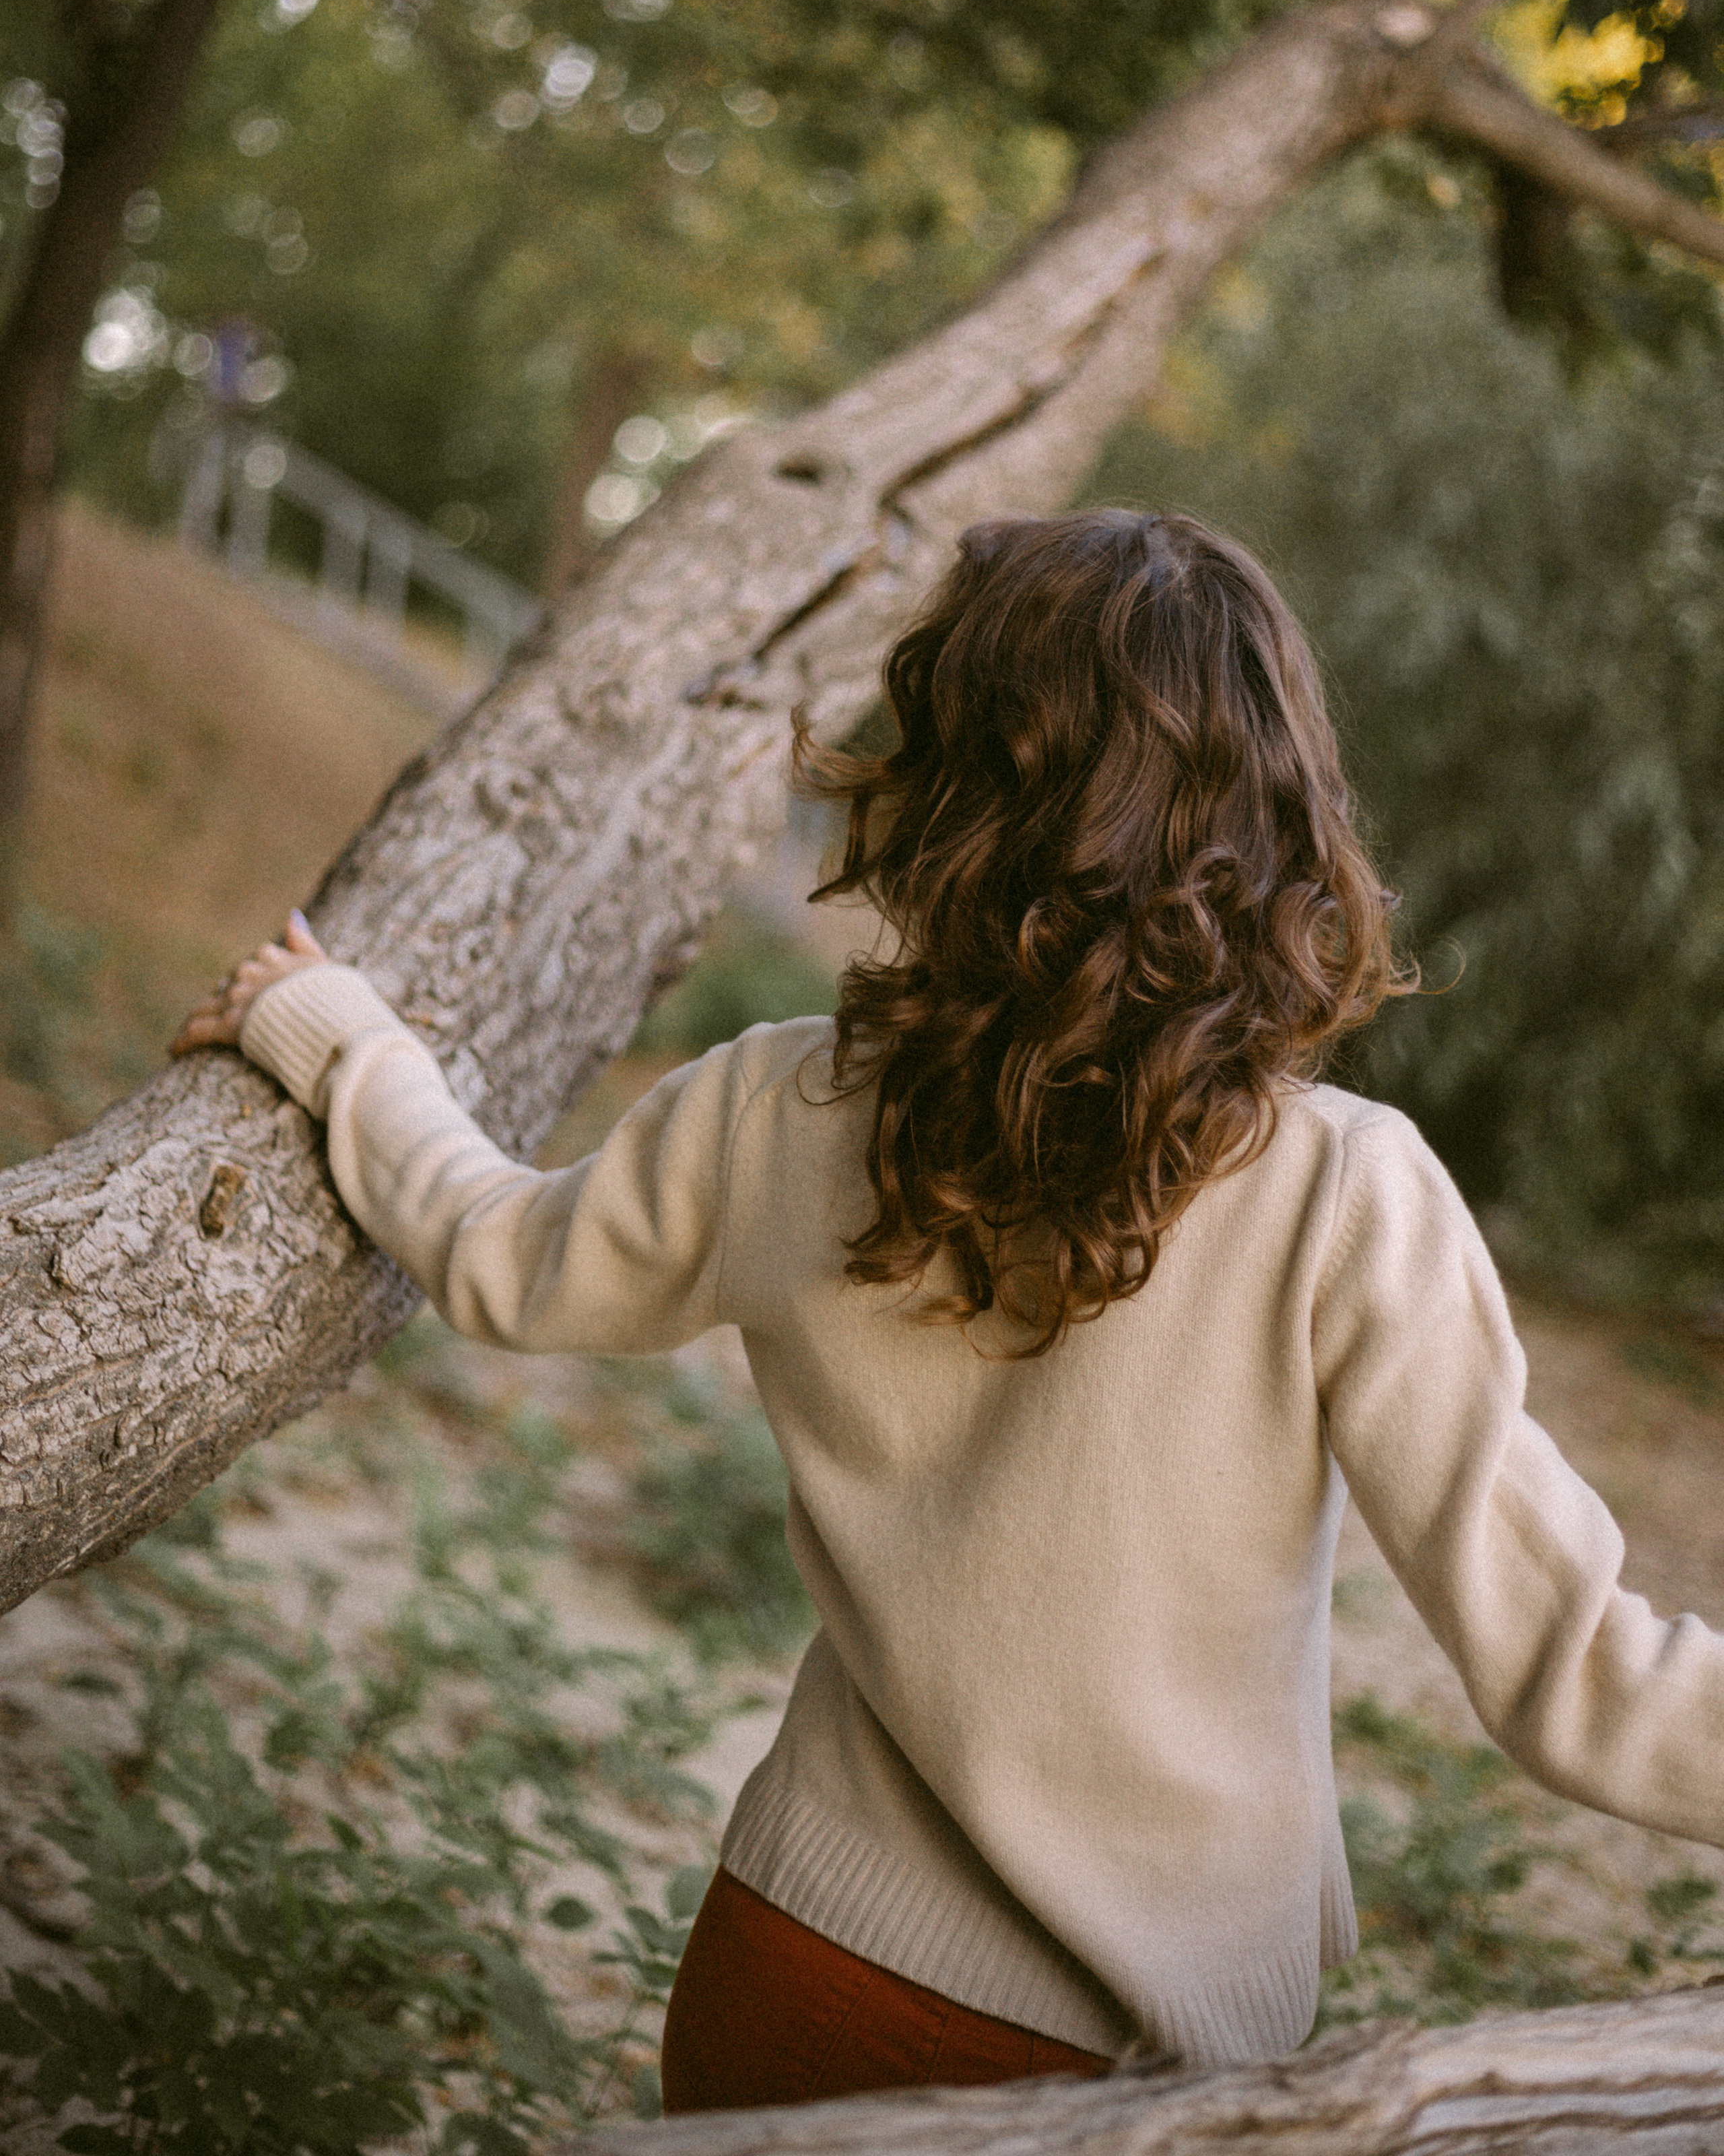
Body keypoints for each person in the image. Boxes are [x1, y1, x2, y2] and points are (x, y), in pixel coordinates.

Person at [172, 507, 1724, 2112]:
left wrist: (343, 1040)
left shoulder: (774, 1105)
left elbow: (497, 1256)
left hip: (790, 1976)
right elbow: (1576, 1681)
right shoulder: (1348, 1194)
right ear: (1276, 819)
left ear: (948, 792)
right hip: (1131, 2076)